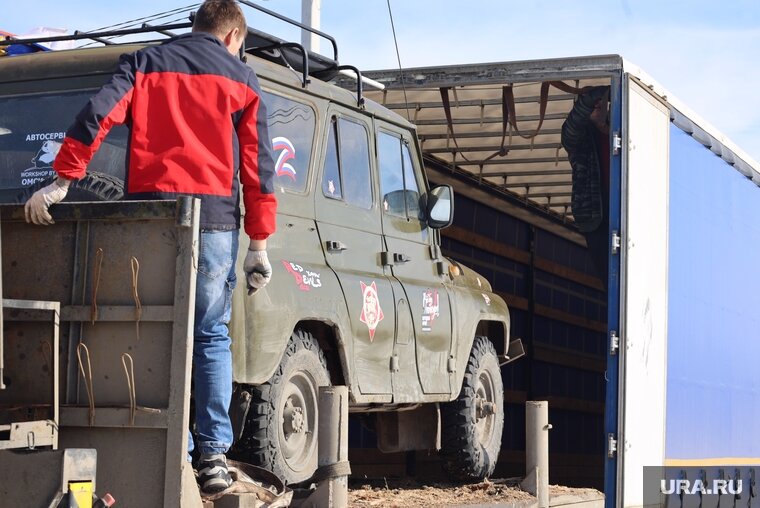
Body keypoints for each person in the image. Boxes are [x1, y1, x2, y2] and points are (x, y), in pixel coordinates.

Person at [24, 0, 276, 494]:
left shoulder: (145, 62)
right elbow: (258, 165)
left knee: (149, 331)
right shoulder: (243, 79)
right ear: (232, 36)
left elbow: (97, 114)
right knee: (210, 336)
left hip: (149, 219)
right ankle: (213, 460)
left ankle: (168, 449)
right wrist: (259, 243)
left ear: (195, 27)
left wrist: (62, 181)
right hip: (215, 224)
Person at [561, 86, 610, 284]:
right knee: (610, 279)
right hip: (595, 220)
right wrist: (591, 98)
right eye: (591, 105)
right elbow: (570, 129)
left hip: (627, 217)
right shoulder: (580, 139)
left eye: (601, 103)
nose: (596, 106)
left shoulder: (624, 133)